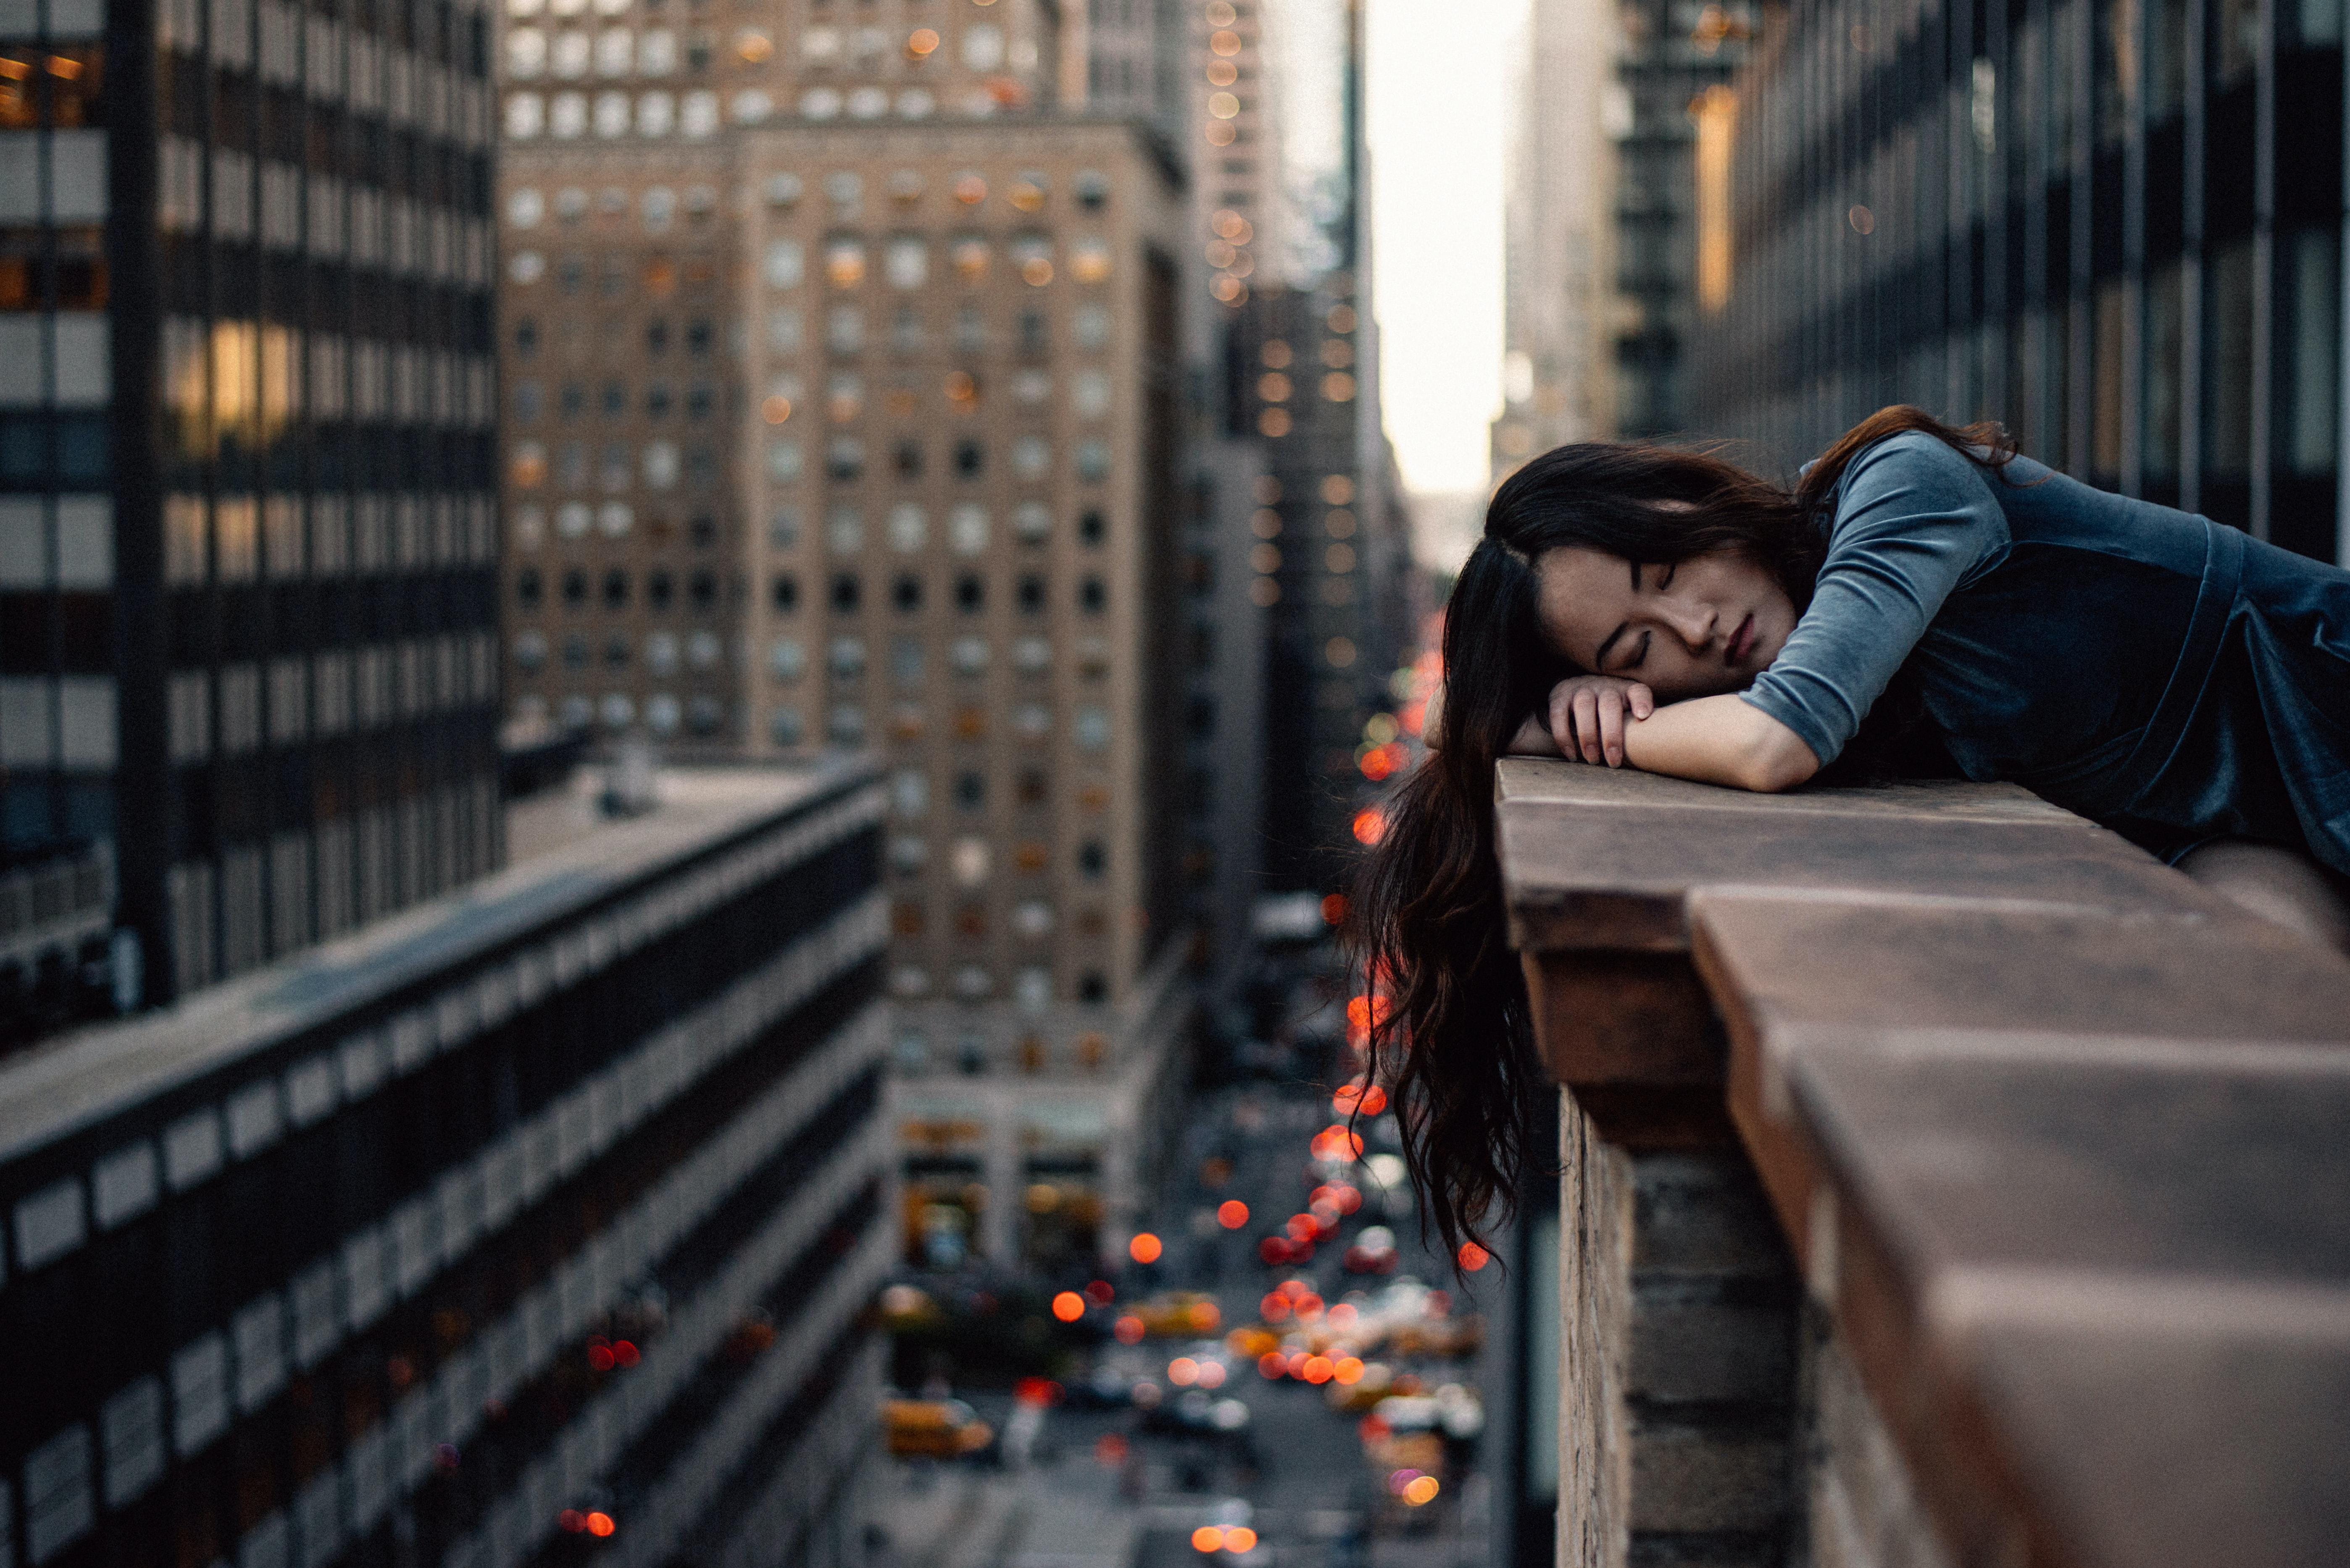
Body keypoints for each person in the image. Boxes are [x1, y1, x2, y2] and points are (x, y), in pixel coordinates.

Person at [1354, 404, 2350, 1262]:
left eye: (1665, 568)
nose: (1695, 628)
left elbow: (1778, 741)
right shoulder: (1841, 675)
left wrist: (1567, 729)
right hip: (2235, 827)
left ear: (1691, 500)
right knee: (2265, 1028)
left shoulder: (1901, 485)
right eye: (1636, 648)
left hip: (2325, 717)